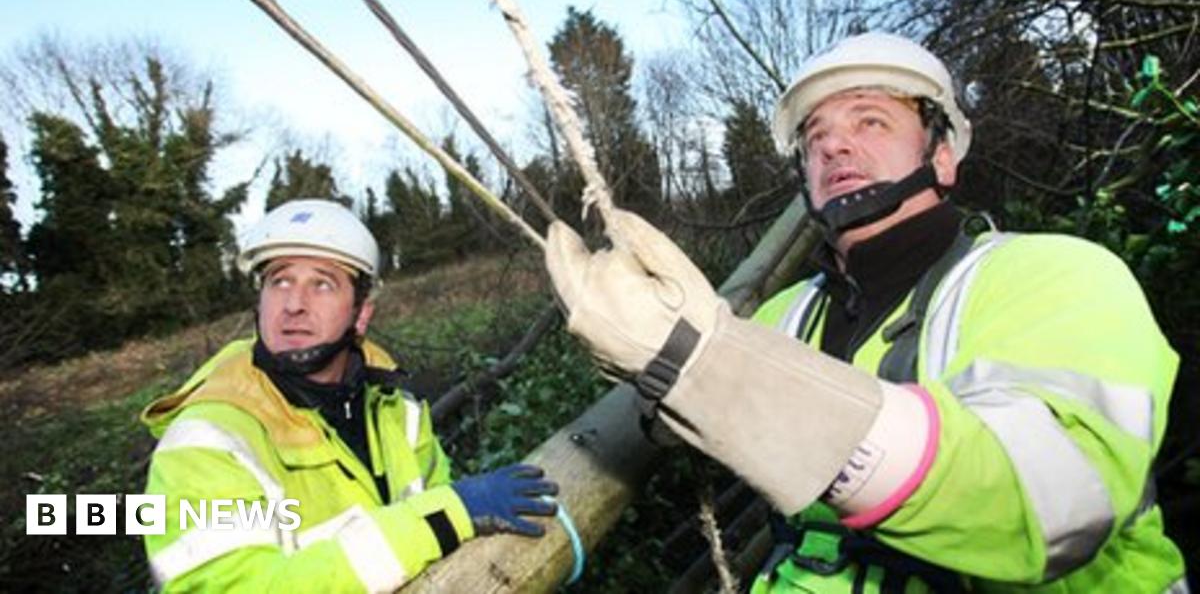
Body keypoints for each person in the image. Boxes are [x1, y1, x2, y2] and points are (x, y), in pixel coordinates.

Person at [545, 32, 1187, 592]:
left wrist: (705, 365)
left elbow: (1054, 504)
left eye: (870, 122)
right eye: (815, 136)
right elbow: (689, 411)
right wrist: (646, 352)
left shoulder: (1057, 275)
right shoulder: (787, 313)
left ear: (942, 155)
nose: (832, 148)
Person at [141, 198, 558, 591]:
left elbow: (437, 514)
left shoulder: (400, 411)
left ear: (361, 315)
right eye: (279, 280)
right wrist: (444, 518)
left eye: (321, 284)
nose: (293, 304)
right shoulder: (207, 440)